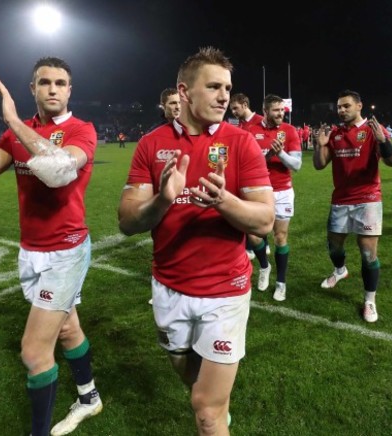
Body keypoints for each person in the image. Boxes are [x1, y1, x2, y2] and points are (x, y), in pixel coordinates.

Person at [118, 46, 274, 435]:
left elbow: (265, 220)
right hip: (169, 287)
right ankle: (218, 409)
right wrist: (163, 199)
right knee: (188, 376)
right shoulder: (151, 145)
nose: (225, 96)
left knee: (203, 409)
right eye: (214, 87)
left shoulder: (241, 143)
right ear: (184, 92)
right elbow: (127, 221)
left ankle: (215, 412)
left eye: (228, 87)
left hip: (225, 291)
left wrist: (223, 201)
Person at [0, 57, 102, 436]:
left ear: (70, 90)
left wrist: (13, 121)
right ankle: (89, 397)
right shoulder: (16, 136)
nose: (52, 89)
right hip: (31, 249)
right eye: (44, 82)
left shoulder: (81, 130)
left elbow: (59, 171)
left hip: (67, 250)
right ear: (32, 89)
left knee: (34, 352)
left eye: (60, 82)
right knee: (68, 329)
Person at [313, 90, 392, 323]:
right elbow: (320, 165)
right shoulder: (335, 133)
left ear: (359, 106)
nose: (341, 110)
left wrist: (383, 141)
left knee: (368, 252)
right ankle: (340, 271)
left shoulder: (373, 130)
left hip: (368, 198)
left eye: (346, 106)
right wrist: (321, 145)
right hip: (340, 199)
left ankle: (369, 300)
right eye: (339, 107)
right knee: (334, 246)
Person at [245, 94, 302, 301]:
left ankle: (281, 282)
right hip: (258, 190)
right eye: (276, 110)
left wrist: (281, 155)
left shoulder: (290, 131)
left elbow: (296, 165)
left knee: (280, 237)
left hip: (283, 191)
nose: (281, 114)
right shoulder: (251, 131)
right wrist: (266, 157)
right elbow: (247, 162)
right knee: (253, 236)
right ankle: (264, 266)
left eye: (282, 110)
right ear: (266, 110)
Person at [229, 92, 268, 259]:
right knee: (245, 209)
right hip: (243, 175)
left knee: (259, 209)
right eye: (232, 109)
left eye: (236, 108)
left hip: (263, 175)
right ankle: (251, 246)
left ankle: (261, 244)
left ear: (245, 105)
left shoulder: (262, 122)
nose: (233, 112)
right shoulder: (239, 126)